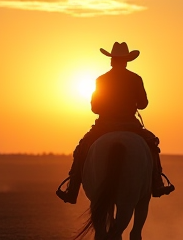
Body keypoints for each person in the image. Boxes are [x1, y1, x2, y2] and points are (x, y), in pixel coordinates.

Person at [56, 42, 174, 204]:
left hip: (105, 125)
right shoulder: (135, 78)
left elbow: (95, 107)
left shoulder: (101, 80)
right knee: (152, 145)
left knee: (82, 148)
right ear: (126, 61)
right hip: (130, 125)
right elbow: (143, 104)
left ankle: (72, 189)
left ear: (112, 60)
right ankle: (157, 182)